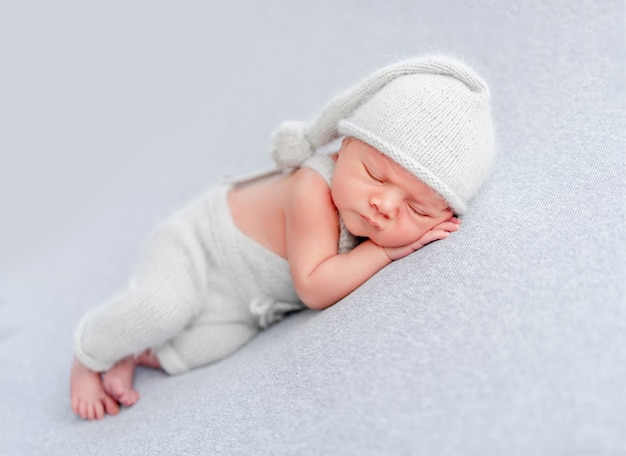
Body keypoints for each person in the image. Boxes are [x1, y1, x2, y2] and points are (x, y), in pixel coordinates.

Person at [70, 55, 496, 420]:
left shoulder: (375, 203)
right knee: (164, 307)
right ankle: (89, 354)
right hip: (199, 245)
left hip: (247, 300)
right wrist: (385, 250)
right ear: (346, 143)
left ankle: (134, 352)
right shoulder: (312, 189)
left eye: (417, 209)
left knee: (204, 347)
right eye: (374, 175)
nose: (384, 205)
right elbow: (313, 286)